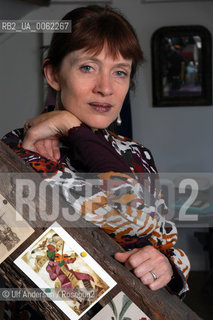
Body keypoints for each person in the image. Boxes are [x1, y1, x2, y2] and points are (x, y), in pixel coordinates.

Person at [2, 5, 190, 299]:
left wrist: (164, 265)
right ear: (53, 74)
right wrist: (70, 126)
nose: (105, 88)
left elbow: (166, 247)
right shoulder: (16, 148)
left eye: (119, 72)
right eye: (88, 67)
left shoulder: (138, 154)